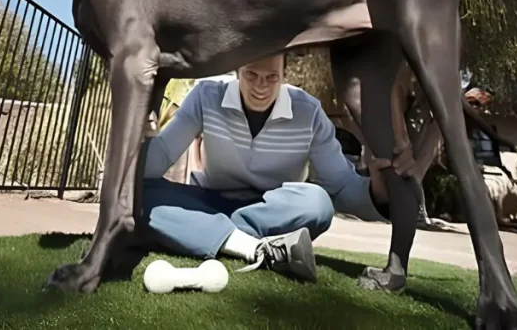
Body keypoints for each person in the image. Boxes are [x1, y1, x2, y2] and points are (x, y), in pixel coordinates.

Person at [141, 53, 413, 282]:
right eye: (251, 75)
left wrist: (377, 190)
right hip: (208, 201)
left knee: (318, 203)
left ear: (284, 75)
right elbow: (163, 153)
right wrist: (139, 138)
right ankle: (253, 248)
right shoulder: (205, 95)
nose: (261, 86)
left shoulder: (309, 112)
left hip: (272, 212)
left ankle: (199, 232)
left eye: (271, 77)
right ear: (237, 71)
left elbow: (341, 186)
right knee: (136, 192)